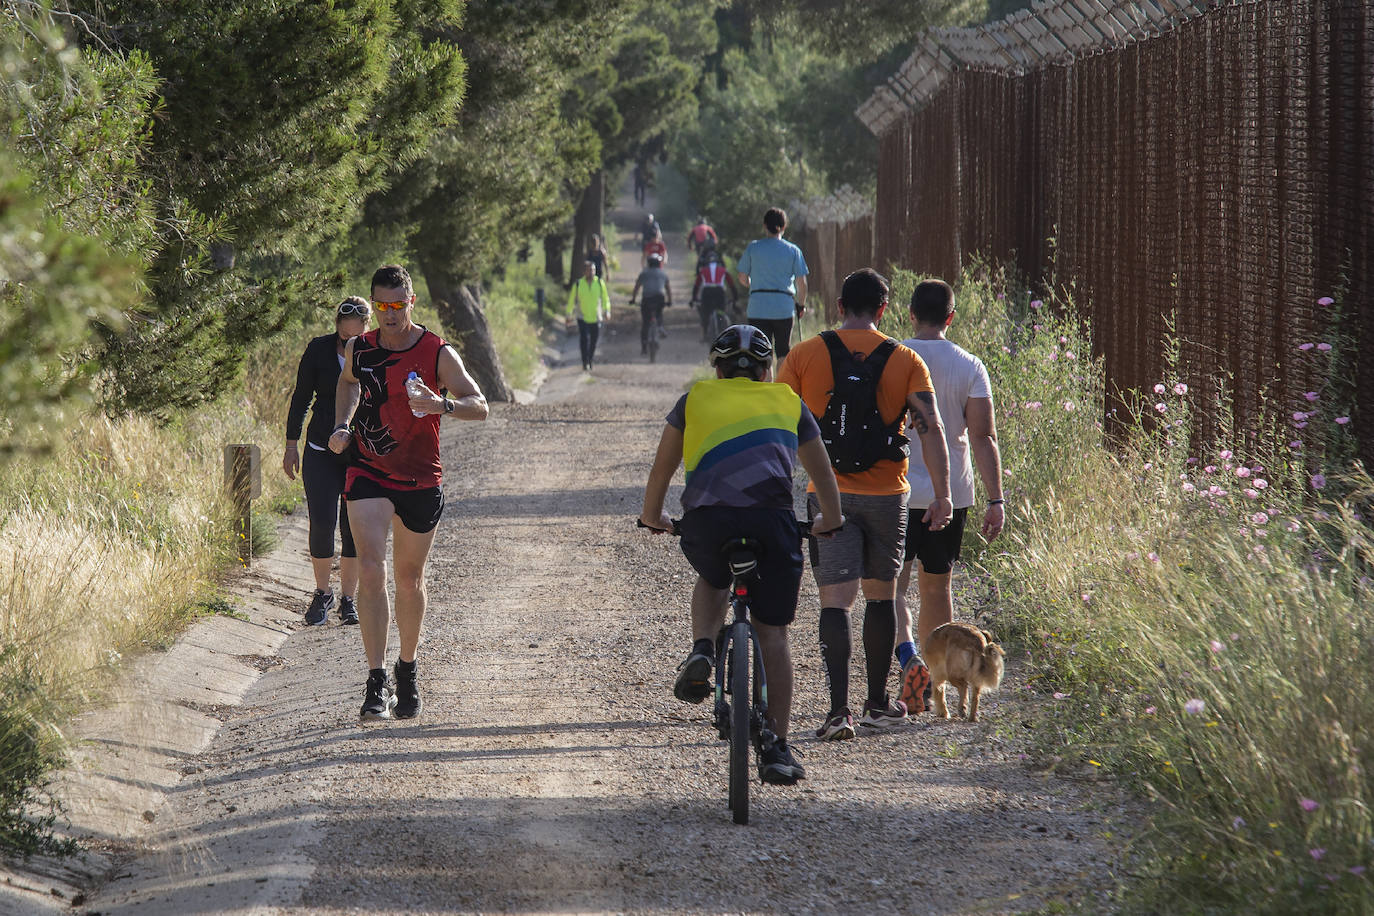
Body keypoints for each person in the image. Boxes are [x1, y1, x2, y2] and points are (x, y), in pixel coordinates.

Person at [640, 325, 844, 785]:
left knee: (713, 577)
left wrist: (654, 516)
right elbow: (822, 473)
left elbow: (662, 467)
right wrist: (829, 520)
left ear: (717, 368)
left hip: (708, 521)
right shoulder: (788, 401)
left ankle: (703, 649)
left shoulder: (694, 399)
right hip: (771, 523)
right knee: (773, 634)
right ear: (768, 370)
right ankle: (776, 746)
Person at [778, 268, 952, 739]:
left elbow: (776, 425)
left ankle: (837, 713)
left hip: (826, 493)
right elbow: (930, 429)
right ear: (884, 309)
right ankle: (876, 703)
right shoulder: (905, 359)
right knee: (880, 596)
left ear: (838, 306)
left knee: (835, 602)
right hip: (887, 496)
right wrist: (942, 494)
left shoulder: (803, 355)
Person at [329, 265, 488, 721]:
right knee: (372, 567)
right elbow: (348, 383)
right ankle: (375, 680)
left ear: (412, 301)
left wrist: (443, 405)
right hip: (368, 469)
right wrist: (343, 424)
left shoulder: (436, 350)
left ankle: (407, 668)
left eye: (397, 305)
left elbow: (480, 405)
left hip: (421, 476)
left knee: (409, 579)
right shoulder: (360, 347)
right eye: (381, 306)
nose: (389, 314)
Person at [894, 279, 1005, 712]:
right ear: (951, 317)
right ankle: (935, 682)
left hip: (897, 489)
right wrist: (996, 499)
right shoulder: (970, 365)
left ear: (909, 314)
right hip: (952, 493)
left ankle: (909, 665)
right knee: (937, 586)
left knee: (894, 589)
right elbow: (984, 436)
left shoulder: (893, 355)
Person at [283, 296, 371, 626]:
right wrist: (291, 445)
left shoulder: (374, 351)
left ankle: (348, 599)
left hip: (359, 454)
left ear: (367, 327)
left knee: (353, 528)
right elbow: (301, 398)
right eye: (343, 337)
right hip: (320, 448)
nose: (349, 344)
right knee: (321, 522)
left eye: (355, 339)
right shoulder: (318, 350)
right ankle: (322, 593)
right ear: (336, 327)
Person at [736, 207, 808, 363]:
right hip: (783, 308)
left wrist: (752, 286)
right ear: (784, 227)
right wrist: (801, 305)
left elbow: (742, 276)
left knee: (761, 352)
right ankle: (781, 385)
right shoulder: (793, 251)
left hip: (758, 307)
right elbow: (802, 284)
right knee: (783, 350)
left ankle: (766, 385)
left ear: (764, 225)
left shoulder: (753, 248)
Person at [566, 258, 611, 371]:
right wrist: (568, 314)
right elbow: (571, 300)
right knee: (584, 339)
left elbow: (605, 298)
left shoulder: (600, 283)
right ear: (584, 271)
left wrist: (607, 311)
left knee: (594, 341)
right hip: (582, 316)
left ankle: (590, 359)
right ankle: (584, 361)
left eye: (593, 270)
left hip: (596, 316)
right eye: (589, 270)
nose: (591, 272)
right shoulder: (578, 284)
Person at [690, 249, 739, 341]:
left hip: (707, 292)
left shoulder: (703, 270)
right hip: (719, 292)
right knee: (721, 311)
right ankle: (723, 329)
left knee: (705, 313)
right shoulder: (723, 270)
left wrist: (694, 298)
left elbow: (696, 286)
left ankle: (705, 334)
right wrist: (735, 297)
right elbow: (731, 285)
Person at [630, 252, 672, 356]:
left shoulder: (644, 273)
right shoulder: (663, 273)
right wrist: (670, 301)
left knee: (645, 323)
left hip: (647, 300)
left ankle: (644, 348)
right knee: (659, 314)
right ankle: (660, 326)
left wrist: (633, 299)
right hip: (659, 299)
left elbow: (637, 287)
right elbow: (668, 289)